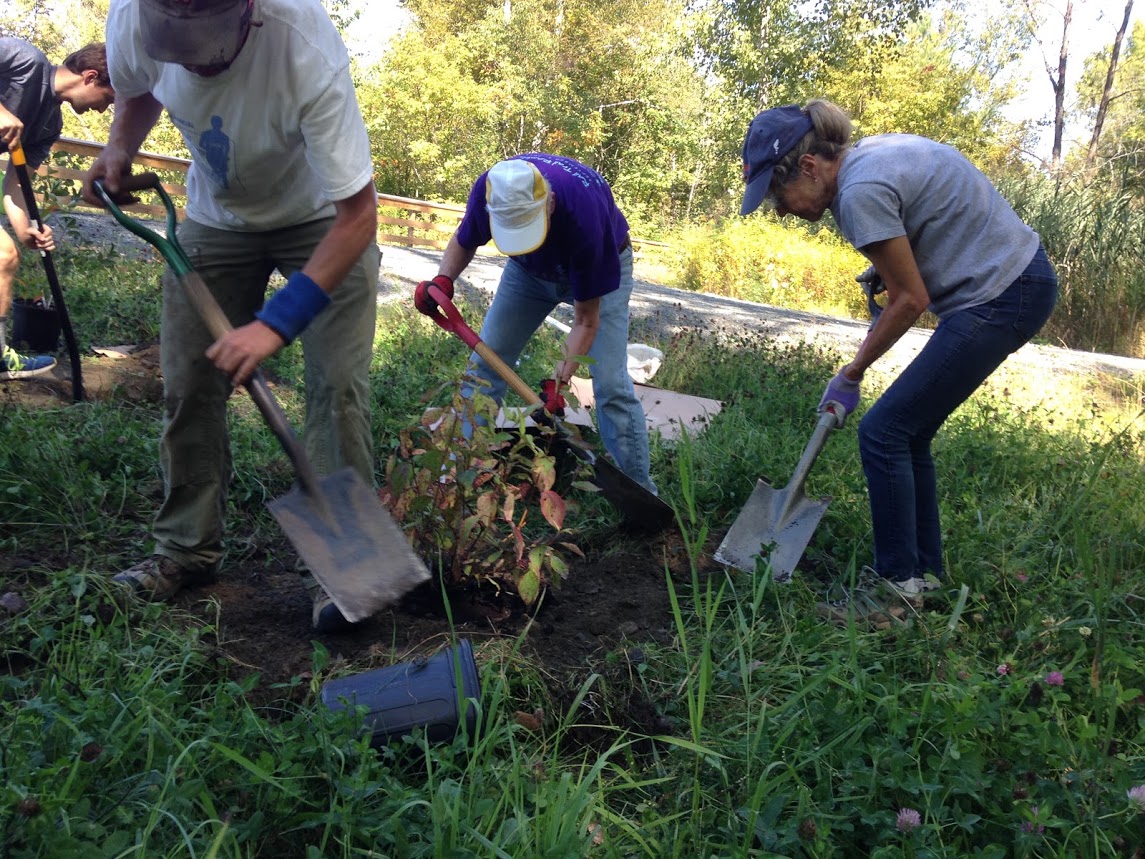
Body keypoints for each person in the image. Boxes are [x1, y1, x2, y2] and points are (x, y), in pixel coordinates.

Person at [82, 0, 380, 632]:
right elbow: (136, 90)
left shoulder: (304, 48)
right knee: (189, 381)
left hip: (325, 223)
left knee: (337, 390)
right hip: (218, 221)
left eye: (204, 46)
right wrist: (118, 149)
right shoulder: (135, 15)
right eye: (176, 44)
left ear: (246, 13)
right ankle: (184, 550)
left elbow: (359, 218)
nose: (189, 60)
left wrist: (275, 323)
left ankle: (343, 572)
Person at [739, 99, 1058, 621]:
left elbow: (911, 300)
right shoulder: (872, 157)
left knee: (883, 431)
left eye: (779, 194)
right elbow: (928, 230)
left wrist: (851, 372)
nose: (783, 209)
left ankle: (895, 592)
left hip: (1002, 295)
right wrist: (890, 270)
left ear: (809, 166)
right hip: (1018, 284)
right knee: (908, 432)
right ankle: (924, 575)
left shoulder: (860, 190)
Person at [415, 153, 656, 494]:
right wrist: (443, 280)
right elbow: (464, 239)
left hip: (601, 265)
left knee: (611, 385)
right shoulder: (492, 191)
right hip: (527, 272)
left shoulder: (584, 219)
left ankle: (639, 492)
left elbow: (586, 322)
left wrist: (559, 384)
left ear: (550, 203)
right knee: (484, 366)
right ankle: (456, 478)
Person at [1, 39, 115, 379]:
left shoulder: (50, 124)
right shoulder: (24, 61)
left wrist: (26, 230)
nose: (103, 110)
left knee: (6, 255)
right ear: (91, 77)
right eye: (109, 99)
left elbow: (16, 185)